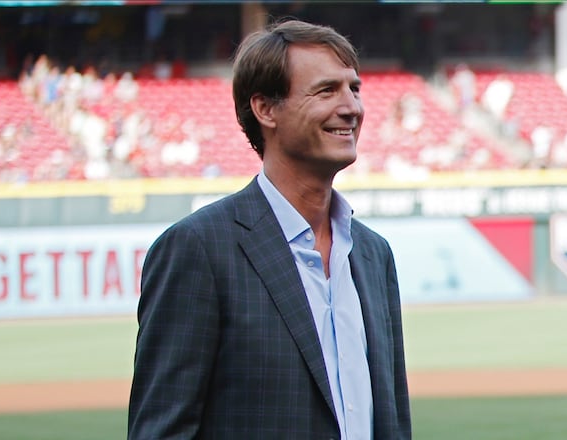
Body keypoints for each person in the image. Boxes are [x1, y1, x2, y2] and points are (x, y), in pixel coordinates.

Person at [128, 19, 411, 439]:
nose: (352, 107)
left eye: (354, 88)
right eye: (326, 90)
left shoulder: (372, 254)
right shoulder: (199, 249)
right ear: (265, 109)